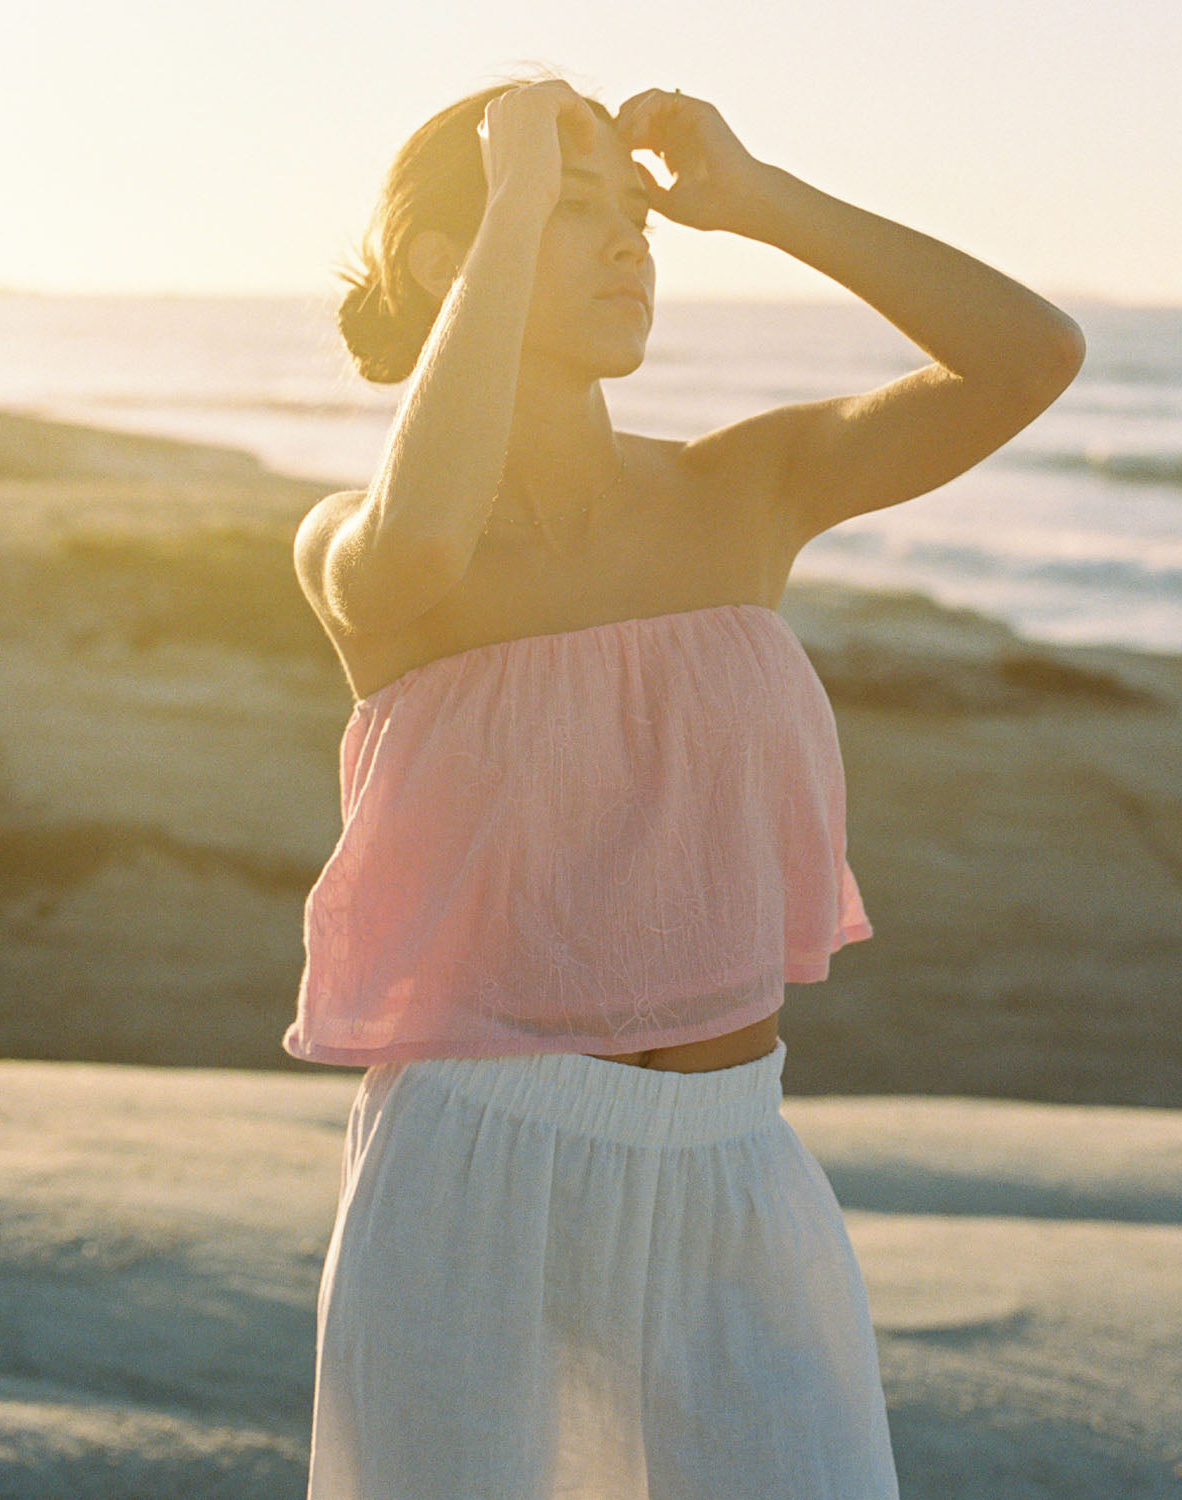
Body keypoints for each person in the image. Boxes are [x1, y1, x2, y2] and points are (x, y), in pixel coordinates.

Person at [286, 68, 1084, 1499]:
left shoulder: (746, 488)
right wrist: (516, 191)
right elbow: (419, 542)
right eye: (570, 214)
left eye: (631, 223)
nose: (628, 247)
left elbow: (1030, 357)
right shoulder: (359, 544)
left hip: (733, 1169)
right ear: (440, 260)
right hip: (473, 1174)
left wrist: (761, 201)